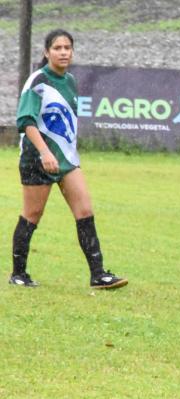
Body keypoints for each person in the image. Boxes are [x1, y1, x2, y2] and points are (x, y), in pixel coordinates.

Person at [10, 29, 126, 289]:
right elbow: (25, 121)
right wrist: (45, 152)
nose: (63, 52)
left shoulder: (70, 81)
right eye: (57, 48)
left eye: (67, 48)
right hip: (37, 158)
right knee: (32, 214)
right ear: (46, 52)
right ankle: (18, 274)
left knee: (85, 211)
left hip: (67, 160)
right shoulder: (38, 80)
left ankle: (98, 274)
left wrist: (66, 152)